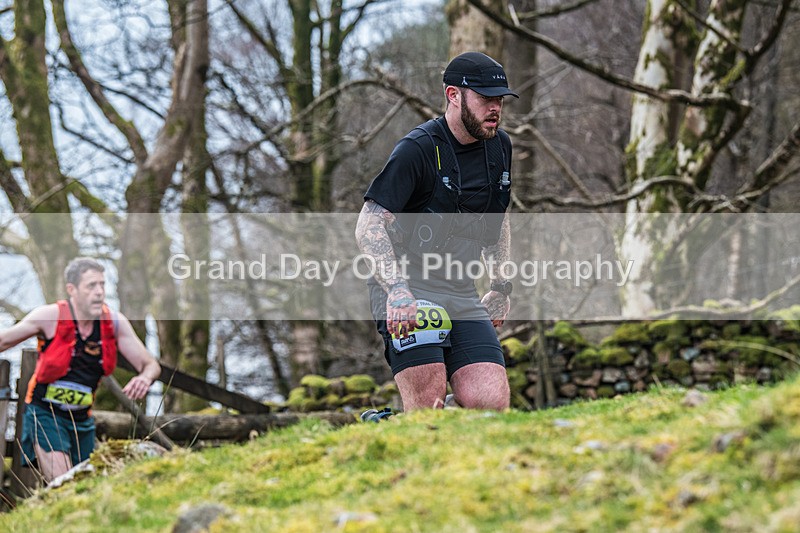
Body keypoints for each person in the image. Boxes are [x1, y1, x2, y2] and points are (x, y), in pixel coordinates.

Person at [355, 51, 517, 411]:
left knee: (489, 405)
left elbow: (499, 219)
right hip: (409, 290)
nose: (495, 108)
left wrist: (500, 285)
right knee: (427, 408)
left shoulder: (500, 146)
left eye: (500, 99)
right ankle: (391, 429)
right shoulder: (418, 149)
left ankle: (399, 426)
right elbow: (369, 224)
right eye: (485, 98)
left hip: (461, 290)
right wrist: (397, 290)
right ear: (453, 95)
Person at [0, 257, 161, 482]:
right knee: (65, 483)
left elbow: (151, 365)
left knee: (86, 485)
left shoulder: (113, 323)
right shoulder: (50, 316)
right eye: (91, 286)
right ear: (72, 289)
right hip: (45, 414)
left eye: (102, 285)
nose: (99, 292)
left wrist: (145, 378)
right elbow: (4, 341)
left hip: (82, 421)